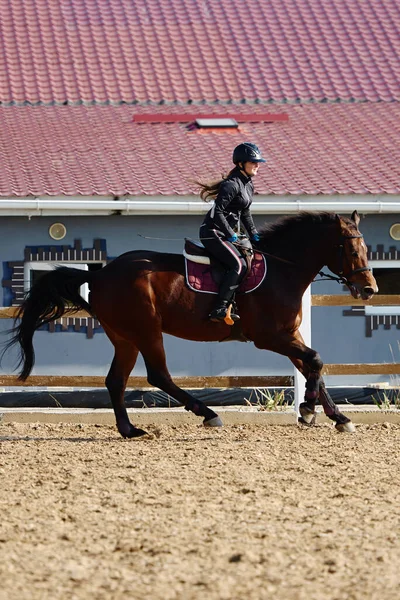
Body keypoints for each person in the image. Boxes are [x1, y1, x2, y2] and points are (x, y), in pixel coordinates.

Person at [198, 142, 266, 322]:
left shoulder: (248, 184)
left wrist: (254, 234)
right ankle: (219, 308)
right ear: (241, 163)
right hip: (212, 232)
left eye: (258, 162)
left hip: (225, 233)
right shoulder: (232, 184)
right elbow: (218, 211)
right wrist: (230, 233)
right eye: (253, 162)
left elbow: (245, 212)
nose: (257, 165)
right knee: (239, 265)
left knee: (250, 258)